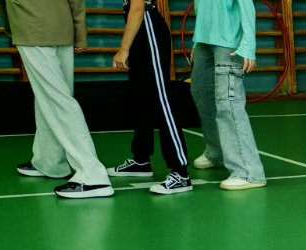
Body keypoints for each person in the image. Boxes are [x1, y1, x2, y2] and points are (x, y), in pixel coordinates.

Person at [0, 0, 113, 198]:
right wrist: (80, 33)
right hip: (62, 28)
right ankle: (50, 161)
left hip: (30, 27)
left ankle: (92, 175)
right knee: (52, 97)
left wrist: (12, 29)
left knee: (57, 99)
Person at [106, 0, 191, 195]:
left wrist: (123, 49)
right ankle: (141, 160)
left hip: (149, 29)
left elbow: (137, 8)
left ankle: (181, 173)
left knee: (161, 99)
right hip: (139, 31)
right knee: (140, 98)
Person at [189, 0, 266, 189]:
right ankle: (217, 152)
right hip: (204, 41)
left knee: (229, 103)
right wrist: (197, 41)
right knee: (201, 95)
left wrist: (248, 45)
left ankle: (249, 172)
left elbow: (247, 6)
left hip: (229, 43)